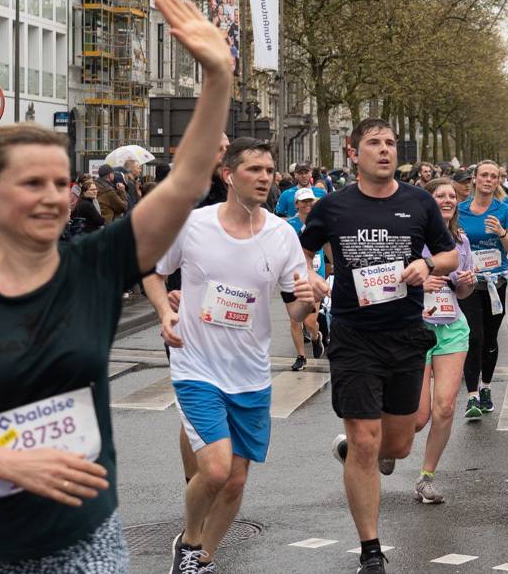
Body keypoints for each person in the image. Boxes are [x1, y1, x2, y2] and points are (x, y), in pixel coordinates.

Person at [0, 0, 232, 573]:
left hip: (85, 541)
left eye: (60, 184)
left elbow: (185, 184)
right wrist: (5, 463)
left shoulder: (93, 267)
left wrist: (218, 76)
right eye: (32, 184)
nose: (52, 197)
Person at [146, 137, 314, 574]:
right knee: (217, 470)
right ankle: (189, 542)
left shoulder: (282, 235)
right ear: (229, 176)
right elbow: (154, 272)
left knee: (236, 480)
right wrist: (165, 310)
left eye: (269, 170)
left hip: (251, 373)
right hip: (196, 365)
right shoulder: (193, 224)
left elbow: (294, 309)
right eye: (254, 169)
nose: (265, 177)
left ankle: (204, 558)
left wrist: (307, 300)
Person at [300, 119, 459, 574]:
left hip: (405, 334)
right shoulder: (333, 207)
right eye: (374, 143)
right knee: (366, 442)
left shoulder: (419, 202)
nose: (385, 150)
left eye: (390, 142)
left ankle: (356, 451)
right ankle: (371, 550)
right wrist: (310, 276)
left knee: (399, 446)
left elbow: (448, 254)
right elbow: (303, 251)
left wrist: (426, 265)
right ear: (354, 153)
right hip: (354, 335)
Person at [413, 178, 478, 505]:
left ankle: (426, 478)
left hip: (452, 327)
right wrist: (419, 284)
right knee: (417, 418)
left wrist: (467, 282)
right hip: (415, 329)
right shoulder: (412, 237)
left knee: (446, 406)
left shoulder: (460, 241)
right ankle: (373, 446)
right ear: (427, 201)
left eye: (452, 196)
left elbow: (463, 293)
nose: (448, 200)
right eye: (440, 195)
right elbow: (392, 281)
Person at [457, 160, 508, 419]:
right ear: (475, 179)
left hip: (496, 284)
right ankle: (472, 395)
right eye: (484, 175)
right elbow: (448, 243)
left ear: (498, 181)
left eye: (493, 176)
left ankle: (486, 388)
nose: (488, 180)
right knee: (474, 336)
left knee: (490, 338)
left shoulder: (504, 210)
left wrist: (501, 232)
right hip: (469, 283)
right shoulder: (460, 210)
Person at [285, 187, 327, 371]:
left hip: (315, 278)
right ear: (296, 204)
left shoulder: (320, 222)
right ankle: (301, 356)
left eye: (310, 200)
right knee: (295, 320)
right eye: (304, 201)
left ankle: (316, 336)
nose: (307, 204)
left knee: (309, 322)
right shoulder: (289, 226)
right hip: (293, 278)